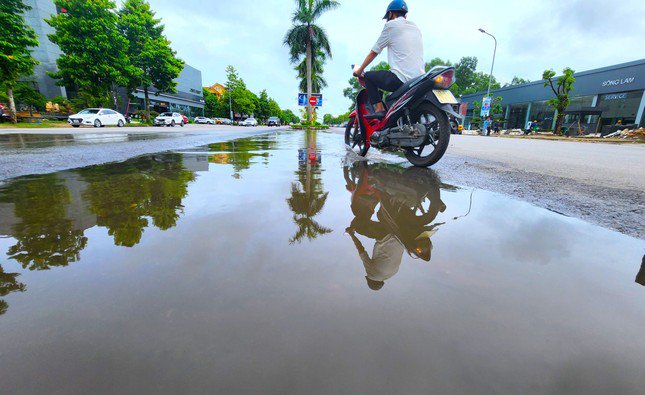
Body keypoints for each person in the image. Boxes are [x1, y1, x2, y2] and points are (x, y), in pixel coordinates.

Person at [353, 0, 424, 119]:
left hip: (400, 79)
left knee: (369, 76)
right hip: (418, 79)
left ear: (390, 14)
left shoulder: (390, 26)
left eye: (388, 17)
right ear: (405, 15)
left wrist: (360, 71)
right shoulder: (415, 27)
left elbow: (374, 52)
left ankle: (379, 109)